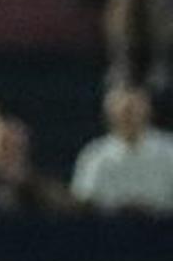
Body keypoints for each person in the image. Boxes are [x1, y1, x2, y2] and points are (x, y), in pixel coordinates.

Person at [71, 84, 173, 214]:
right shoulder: (94, 155)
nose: (128, 115)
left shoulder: (170, 149)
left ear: (148, 109)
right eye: (123, 110)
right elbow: (84, 203)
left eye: (134, 109)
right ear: (108, 113)